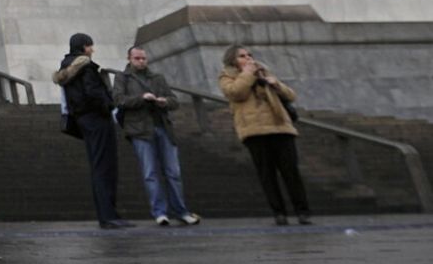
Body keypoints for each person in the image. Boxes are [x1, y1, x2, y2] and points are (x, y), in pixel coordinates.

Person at [220, 45, 311, 226]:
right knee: (267, 174)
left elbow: (291, 96)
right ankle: (279, 213)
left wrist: (275, 84)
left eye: (249, 55)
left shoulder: (263, 71)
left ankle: (302, 211)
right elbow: (236, 93)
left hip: (280, 127)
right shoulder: (227, 76)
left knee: (291, 172)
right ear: (233, 60)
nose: (248, 58)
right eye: (242, 56)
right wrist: (247, 74)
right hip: (254, 131)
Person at [115, 46, 201, 227]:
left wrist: (164, 101)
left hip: (162, 128)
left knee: (173, 172)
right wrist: (141, 98)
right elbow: (119, 100)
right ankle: (160, 212)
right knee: (150, 173)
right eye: (137, 58)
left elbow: (174, 100)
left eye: (143, 58)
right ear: (129, 59)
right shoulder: (123, 78)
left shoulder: (157, 78)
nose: (141, 61)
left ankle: (181, 211)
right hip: (140, 131)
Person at [54, 33, 131, 229]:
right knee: (105, 167)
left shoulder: (66, 69)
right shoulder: (85, 67)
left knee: (98, 167)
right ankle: (109, 215)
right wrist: (109, 106)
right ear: (83, 47)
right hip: (97, 119)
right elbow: (93, 93)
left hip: (83, 120)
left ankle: (107, 214)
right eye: (90, 46)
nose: (92, 50)